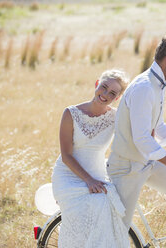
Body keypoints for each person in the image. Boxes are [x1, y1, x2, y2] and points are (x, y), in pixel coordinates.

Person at [107, 36, 166, 248]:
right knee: (117, 234)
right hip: (127, 167)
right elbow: (142, 139)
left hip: (146, 162)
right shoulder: (144, 88)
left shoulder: (158, 84)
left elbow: (158, 128)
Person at [51, 69, 129, 248]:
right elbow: (66, 156)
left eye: (112, 93)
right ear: (96, 84)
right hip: (69, 177)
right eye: (104, 87)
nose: (105, 94)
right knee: (98, 205)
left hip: (97, 176)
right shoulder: (71, 113)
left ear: (117, 98)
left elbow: (133, 136)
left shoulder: (116, 117)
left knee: (109, 209)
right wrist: (89, 180)